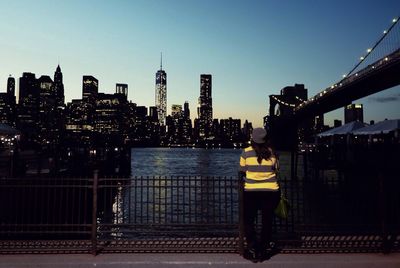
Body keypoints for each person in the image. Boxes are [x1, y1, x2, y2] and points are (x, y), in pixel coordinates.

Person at [239, 127, 280, 262]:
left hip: (251, 192)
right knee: (267, 221)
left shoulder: (246, 152)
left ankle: (252, 247)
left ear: (253, 139)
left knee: (249, 220)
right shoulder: (272, 153)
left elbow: (242, 171)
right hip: (271, 192)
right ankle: (264, 248)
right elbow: (276, 170)